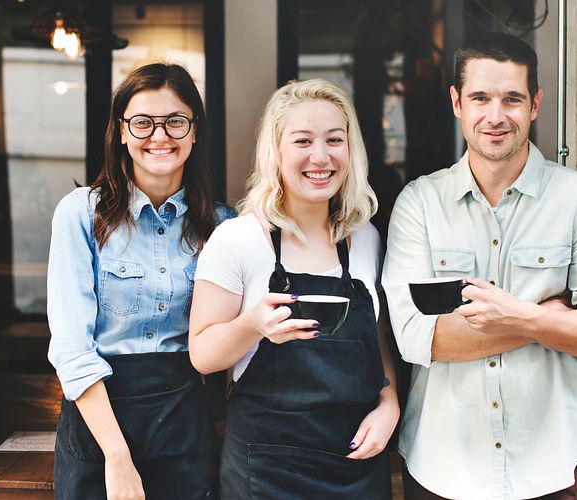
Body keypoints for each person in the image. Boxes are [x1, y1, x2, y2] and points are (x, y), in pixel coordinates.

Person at [381, 33, 577, 500]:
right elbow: (417, 338)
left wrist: (519, 317)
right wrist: (549, 319)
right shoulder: (419, 203)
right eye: (480, 97)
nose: (496, 116)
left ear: (536, 104)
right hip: (442, 466)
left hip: (549, 468)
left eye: (512, 99)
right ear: (457, 102)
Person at [189, 78, 398, 498]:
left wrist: (389, 404)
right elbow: (203, 356)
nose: (320, 157)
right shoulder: (238, 239)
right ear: (277, 151)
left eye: (334, 140)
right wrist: (253, 324)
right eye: (302, 141)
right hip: (265, 469)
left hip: (353, 463)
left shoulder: (365, 237)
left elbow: (374, 337)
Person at [47, 63, 234, 500]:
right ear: (123, 132)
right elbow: (73, 349)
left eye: (175, 122)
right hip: (99, 429)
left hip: (185, 426)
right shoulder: (79, 215)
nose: (159, 135)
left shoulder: (224, 226)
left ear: (194, 132)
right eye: (143, 122)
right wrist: (117, 456)